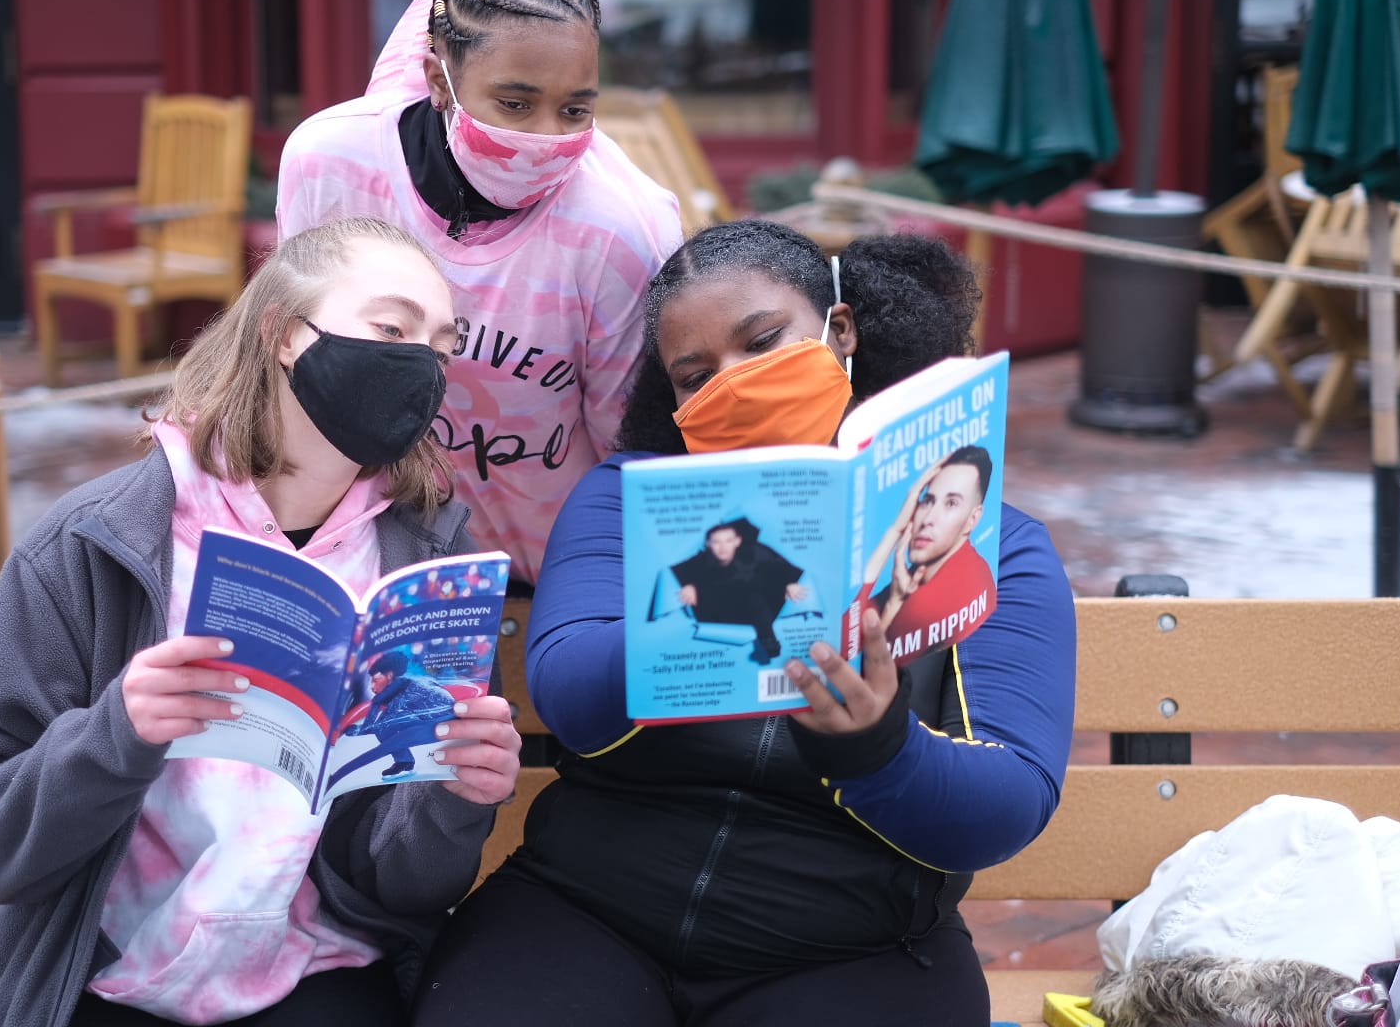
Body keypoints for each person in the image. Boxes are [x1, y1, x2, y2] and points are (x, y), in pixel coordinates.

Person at [412, 221, 1077, 1027]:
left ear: (840, 331)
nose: (732, 383)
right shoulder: (631, 497)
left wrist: (874, 747)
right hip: (590, 912)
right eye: (695, 376)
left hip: (855, 947)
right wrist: (695, 611)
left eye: (762, 342)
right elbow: (570, 692)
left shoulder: (979, 538)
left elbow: (1007, 800)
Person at [0, 218, 521, 1027]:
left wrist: (456, 796)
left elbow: (401, 887)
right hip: (103, 968)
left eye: (442, 347)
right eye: (390, 329)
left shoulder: (424, 565)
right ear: (283, 335)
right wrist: (117, 733)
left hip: (315, 960)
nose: (420, 365)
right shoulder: (94, 542)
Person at [276, 0, 684, 586]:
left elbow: (634, 451)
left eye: (576, 109)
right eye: (516, 104)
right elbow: (284, 366)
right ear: (439, 80)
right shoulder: (331, 167)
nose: (547, 137)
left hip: (556, 579)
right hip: (365, 562)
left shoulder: (622, 231)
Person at [862, 446, 997, 651]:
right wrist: (897, 528)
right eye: (927, 500)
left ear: (973, 519)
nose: (928, 519)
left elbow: (847, 664)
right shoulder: (916, 577)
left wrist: (893, 606)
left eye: (951, 503)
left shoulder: (939, 597)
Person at [667, 518, 808, 664]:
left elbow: (784, 568)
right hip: (721, 613)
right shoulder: (701, 559)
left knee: (755, 596)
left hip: (757, 609)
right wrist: (689, 585)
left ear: (737, 541)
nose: (723, 547)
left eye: (728, 541)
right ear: (708, 544)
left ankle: (768, 640)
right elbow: (676, 572)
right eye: (716, 542)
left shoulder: (755, 552)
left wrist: (790, 583)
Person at [346, 650, 463, 778]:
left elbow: (387, 719)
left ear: (389, 676)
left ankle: (403, 761)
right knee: (385, 728)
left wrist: (361, 730)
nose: (372, 687)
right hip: (425, 717)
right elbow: (377, 716)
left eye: (375, 680)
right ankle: (404, 762)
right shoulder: (397, 688)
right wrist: (363, 727)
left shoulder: (410, 688)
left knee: (386, 725)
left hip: (443, 719)